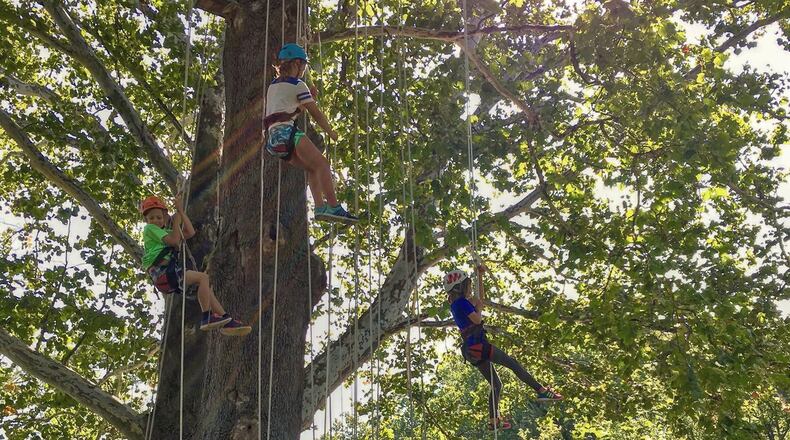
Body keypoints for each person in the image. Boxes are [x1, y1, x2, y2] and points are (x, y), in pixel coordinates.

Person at [446, 264, 563, 430]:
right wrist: (478, 309)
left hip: (472, 351)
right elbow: (478, 319)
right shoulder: (461, 304)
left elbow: (481, 300)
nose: (470, 288)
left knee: (496, 385)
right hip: (478, 346)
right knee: (513, 363)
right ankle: (541, 390)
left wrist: (480, 276)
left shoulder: (458, 304)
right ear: (460, 287)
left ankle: (493, 422)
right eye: (468, 285)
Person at [264, 43, 358, 224]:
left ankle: (320, 207)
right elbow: (316, 114)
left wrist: (309, 99)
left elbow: (286, 112)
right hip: (288, 133)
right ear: (297, 63)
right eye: (304, 66)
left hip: (274, 140)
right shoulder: (299, 85)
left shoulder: (273, 86)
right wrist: (330, 131)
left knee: (312, 168)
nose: (304, 70)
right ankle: (334, 206)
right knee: (322, 164)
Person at [141, 194, 251, 336]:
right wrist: (176, 220)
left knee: (206, 289)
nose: (155, 220)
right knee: (203, 278)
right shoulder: (149, 229)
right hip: (162, 272)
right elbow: (175, 241)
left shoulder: (165, 233)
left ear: (164, 218)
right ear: (147, 220)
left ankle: (226, 320)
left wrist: (180, 212)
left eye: (159, 217)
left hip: (169, 273)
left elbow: (190, 232)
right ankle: (207, 317)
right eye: (151, 218)